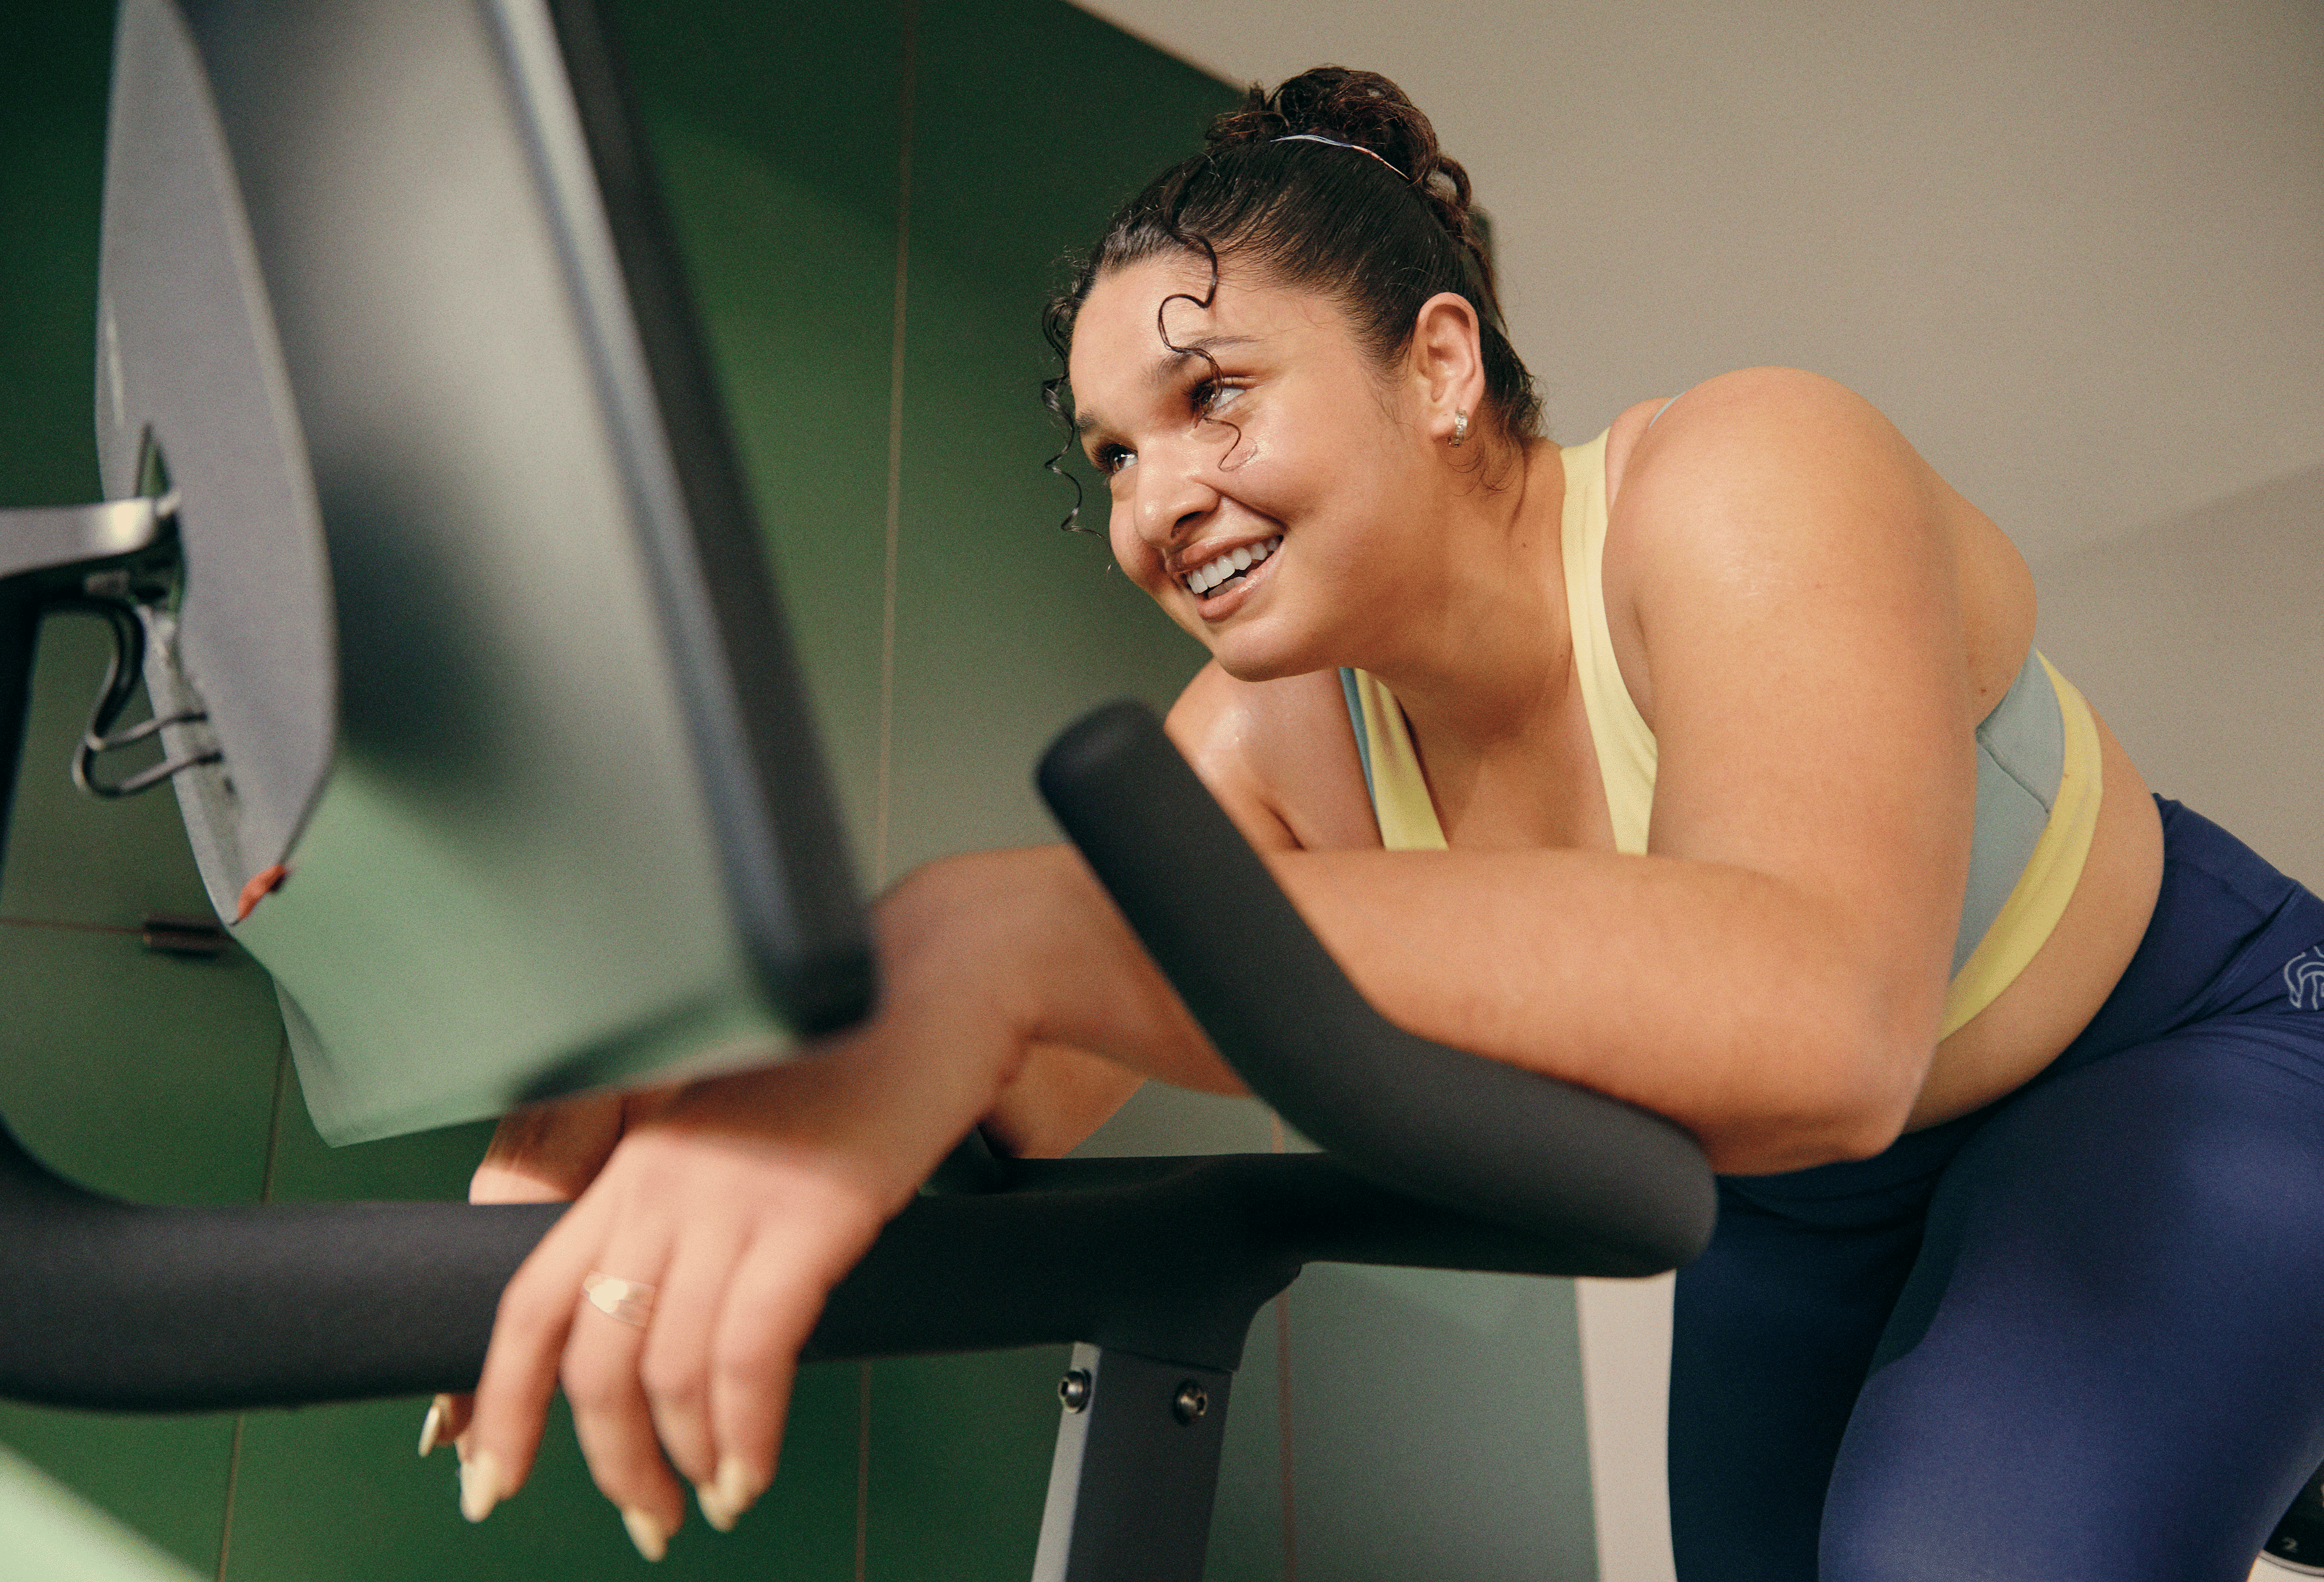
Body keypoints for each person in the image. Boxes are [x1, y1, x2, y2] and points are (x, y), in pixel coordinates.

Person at [436, 66, 2324, 1578]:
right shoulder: (1269, 739)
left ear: (1436, 363)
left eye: (1211, 395)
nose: (1160, 497)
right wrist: (679, 1062)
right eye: (1114, 454)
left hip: (2191, 1053)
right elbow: (1016, 1086)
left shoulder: (1744, 479)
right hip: (1813, 1213)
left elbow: (1826, 1020)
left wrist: (1017, 938)